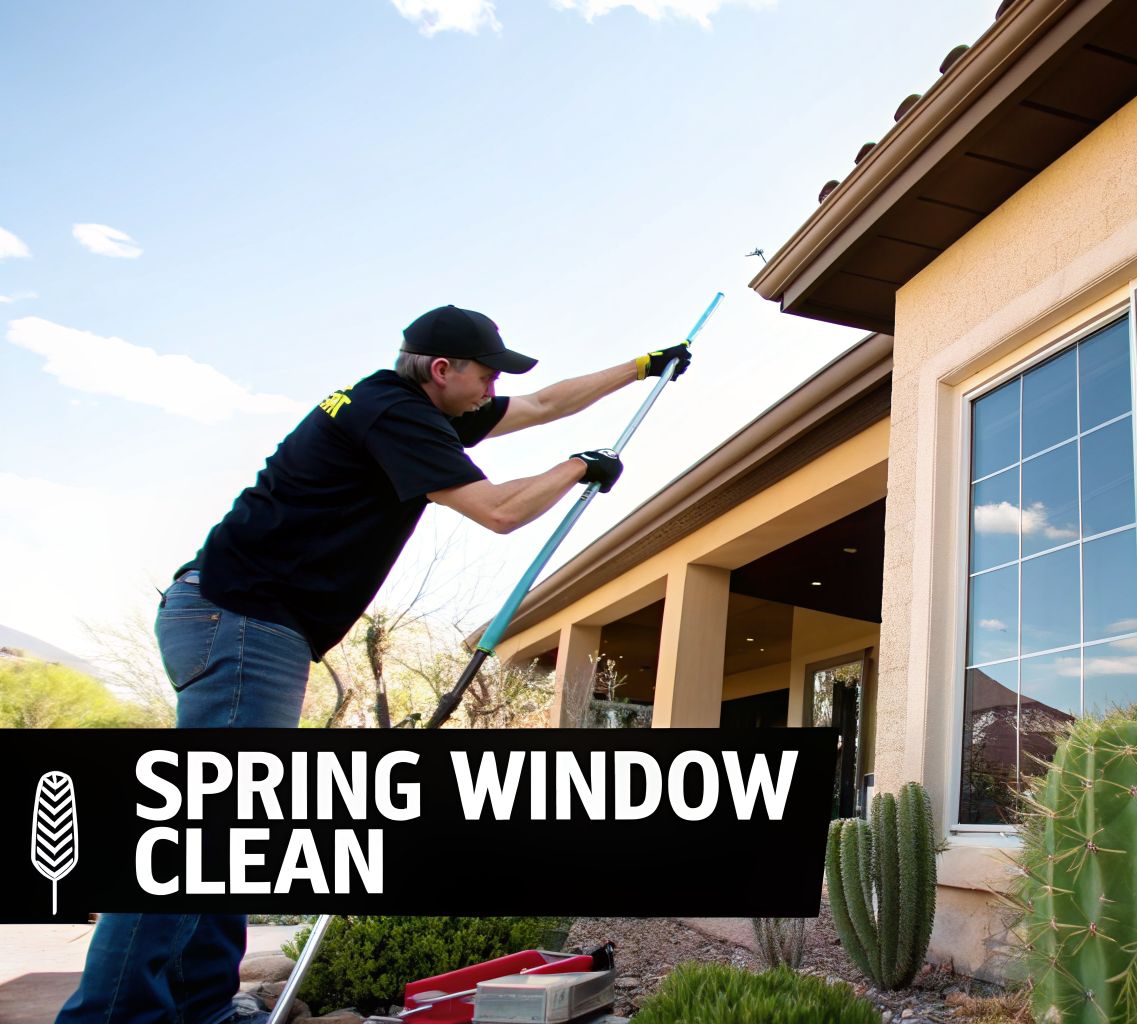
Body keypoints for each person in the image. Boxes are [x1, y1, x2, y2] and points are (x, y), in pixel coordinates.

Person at [57, 304, 692, 1024]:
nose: (492, 391)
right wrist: (580, 467)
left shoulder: (408, 406)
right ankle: (110, 1016)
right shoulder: (393, 415)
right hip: (240, 619)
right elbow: (500, 510)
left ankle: (203, 1007)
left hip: (248, 622)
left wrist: (641, 368)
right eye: (485, 376)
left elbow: (543, 403)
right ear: (442, 370)